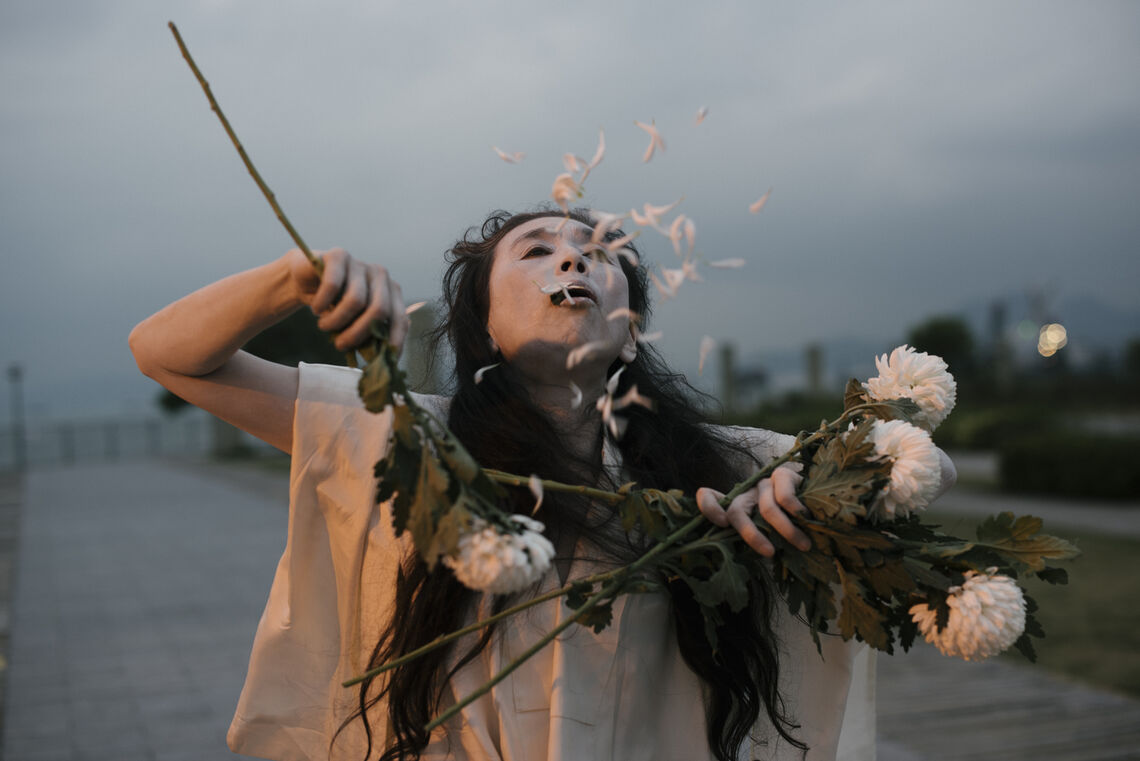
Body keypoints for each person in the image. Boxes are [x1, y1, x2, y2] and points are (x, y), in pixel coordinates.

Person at [130, 208, 956, 761]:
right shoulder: (405, 434)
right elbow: (167, 353)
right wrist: (288, 281)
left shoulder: (710, 460)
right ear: (483, 325)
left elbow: (923, 465)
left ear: (630, 327)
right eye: (537, 251)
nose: (574, 257)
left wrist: (801, 490)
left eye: (600, 255)